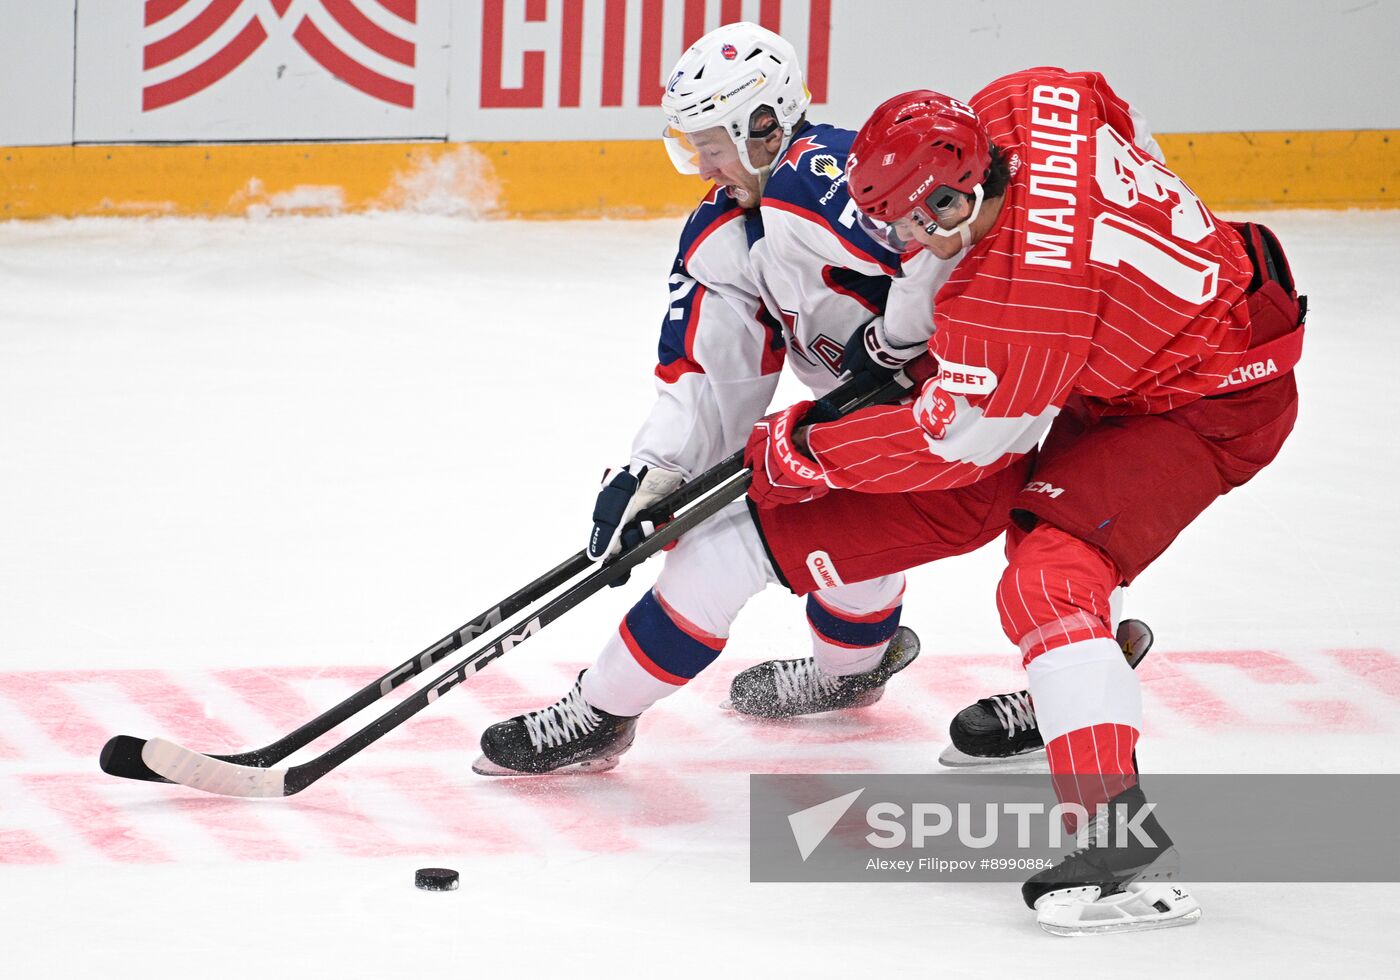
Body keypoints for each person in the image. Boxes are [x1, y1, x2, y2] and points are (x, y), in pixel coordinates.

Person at [744, 71, 1304, 933]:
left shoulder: (1022, 313)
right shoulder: (1027, 100)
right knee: (1059, 552)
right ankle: (1079, 692)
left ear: (947, 193)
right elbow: (1121, 115)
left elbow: (953, 442)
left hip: (1206, 401)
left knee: (1050, 574)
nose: (900, 237)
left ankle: (1123, 849)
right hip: (1166, 334)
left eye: (908, 222)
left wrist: (802, 447)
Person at [472, 23, 1029, 776]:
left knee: (721, 549)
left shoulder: (823, 173)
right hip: (891, 441)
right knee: (844, 534)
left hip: (977, 422)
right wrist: (655, 471)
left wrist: (900, 341)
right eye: (690, 144)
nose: (699, 163)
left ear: (763, 125)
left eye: (711, 143)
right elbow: (711, 375)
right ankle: (851, 674)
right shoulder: (728, 232)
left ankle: (598, 713)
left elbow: (955, 239)